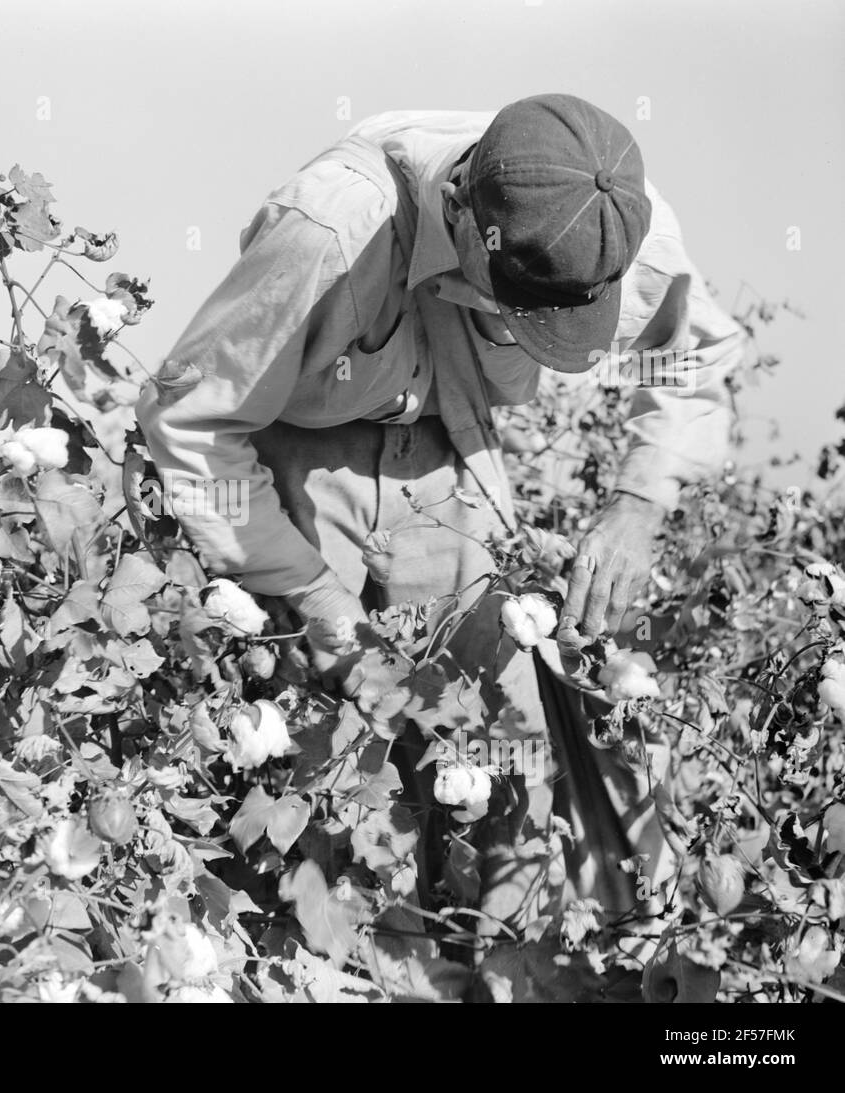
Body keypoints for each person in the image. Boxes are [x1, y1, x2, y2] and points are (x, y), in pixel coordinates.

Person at [137, 94, 751, 929]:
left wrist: (639, 501)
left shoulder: (611, 225)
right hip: (294, 467)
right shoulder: (332, 227)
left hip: (456, 466)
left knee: (510, 749)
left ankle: (509, 967)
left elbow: (692, 353)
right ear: (460, 212)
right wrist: (313, 595)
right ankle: (321, 958)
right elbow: (194, 422)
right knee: (327, 759)